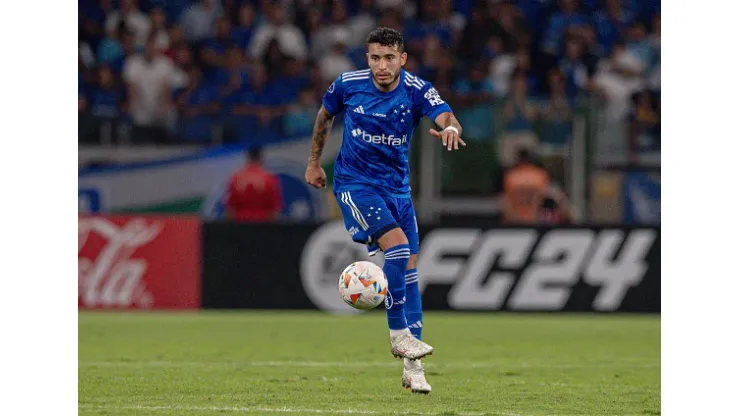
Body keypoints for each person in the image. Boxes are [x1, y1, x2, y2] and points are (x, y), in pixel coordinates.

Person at [304, 27, 465, 394]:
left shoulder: (417, 90)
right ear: (367, 59)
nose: (381, 65)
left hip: (397, 190)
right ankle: (398, 335)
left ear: (402, 59)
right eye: (375, 57)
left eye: (389, 58)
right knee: (398, 247)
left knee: (409, 272)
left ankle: (414, 369)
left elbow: (445, 115)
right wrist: (314, 163)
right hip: (356, 185)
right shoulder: (348, 84)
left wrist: (451, 128)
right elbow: (324, 117)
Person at [225, 147, 283, 222]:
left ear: (248, 158)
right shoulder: (270, 179)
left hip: (241, 226)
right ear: (261, 159)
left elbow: (230, 209)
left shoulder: (236, 179)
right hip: (262, 226)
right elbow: (274, 211)